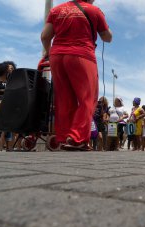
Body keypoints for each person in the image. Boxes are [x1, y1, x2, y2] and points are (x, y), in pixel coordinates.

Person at [41, 0, 112, 151]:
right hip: (82, 55)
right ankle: (76, 138)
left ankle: (63, 137)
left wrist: (49, 51)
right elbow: (107, 37)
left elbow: (45, 36)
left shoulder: (56, 10)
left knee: (64, 99)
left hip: (57, 56)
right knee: (88, 98)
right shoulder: (94, 10)